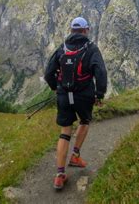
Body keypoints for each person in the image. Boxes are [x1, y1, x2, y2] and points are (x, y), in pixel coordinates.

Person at [44, 17, 107, 190]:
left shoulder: (62, 48)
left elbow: (49, 72)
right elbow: (100, 72)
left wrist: (55, 88)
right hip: (84, 95)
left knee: (65, 131)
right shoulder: (91, 48)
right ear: (86, 30)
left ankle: (59, 174)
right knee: (85, 121)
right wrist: (99, 94)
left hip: (64, 94)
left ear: (71, 30)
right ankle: (75, 155)